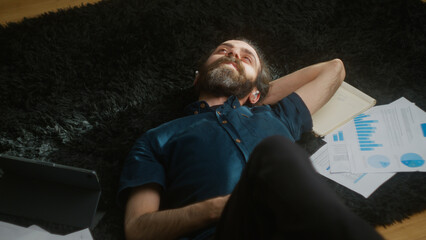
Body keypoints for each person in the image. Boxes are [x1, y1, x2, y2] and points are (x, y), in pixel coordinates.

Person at [118, 39, 383, 240]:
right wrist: (219, 207)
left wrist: (250, 93)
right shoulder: (156, 138)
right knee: (277, 151)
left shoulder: (276, 117)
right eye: (223, 51)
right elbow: (137, 228)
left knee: (277, 150)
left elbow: (333, 69)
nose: (233, 54)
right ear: (197, 77)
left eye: (246, 58)